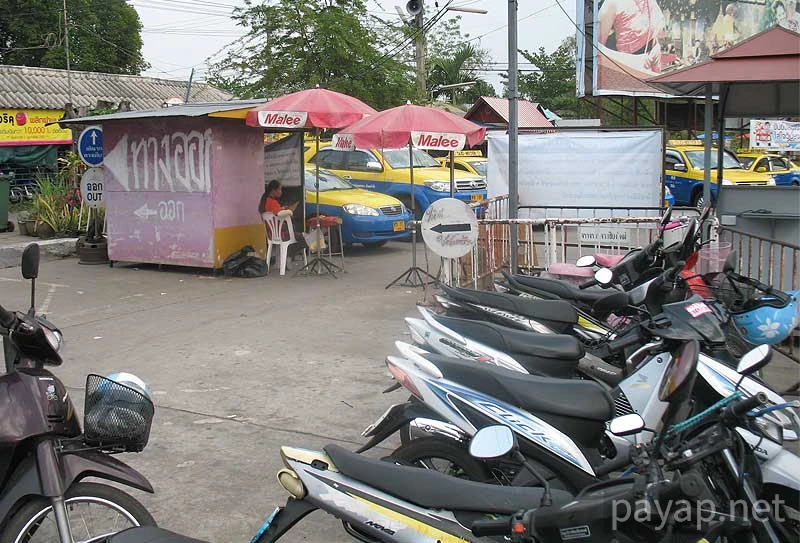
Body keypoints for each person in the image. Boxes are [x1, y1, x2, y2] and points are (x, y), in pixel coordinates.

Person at [597, 0, 667, 76]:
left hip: (653, 65)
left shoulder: (648, 1)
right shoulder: (612, 3)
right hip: (628, 69)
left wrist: (656, 46)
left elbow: (658, 28)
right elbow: (597, 49)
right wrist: (633, 61)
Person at [259, 179, 306, 258]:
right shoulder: (272, 202)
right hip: (282, 234)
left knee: (298, 235)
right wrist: (289, 211)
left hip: (271, 234)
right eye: (279, 189)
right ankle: (289, 256)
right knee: (305, 238)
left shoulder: (264, 201)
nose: (281, 191)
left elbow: (274, 213)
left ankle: (288, 255)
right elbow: (278, 214)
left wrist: (282, 208)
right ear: (273, 190)